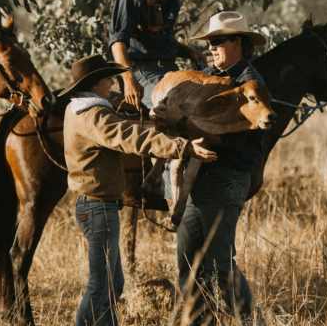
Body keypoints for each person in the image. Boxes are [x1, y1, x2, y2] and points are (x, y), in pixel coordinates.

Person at [61, 55, 217, 326]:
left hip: (95, 206)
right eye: (108, 79)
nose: (112, 83)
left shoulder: (77, 110)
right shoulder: (94, 115)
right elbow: (130, 137)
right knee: (103, 285)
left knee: (110, 282)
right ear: (96, 84)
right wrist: (182, 146)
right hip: (98, 207)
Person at [175, 11, 268, 325]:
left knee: (219, 264)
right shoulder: (205, 77)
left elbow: (252, 142)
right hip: (197, 181)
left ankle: (247, 320)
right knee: (188, 261)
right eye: (210, 43)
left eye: (218, 42)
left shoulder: (251, 83)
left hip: (227, 179)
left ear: (238, 43)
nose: (211, 48)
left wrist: (211, 142)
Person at [109, 0, 203, 111]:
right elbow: (118, 42)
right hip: (140, 71)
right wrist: (128, 79)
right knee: (174, 108)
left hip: (168, 69)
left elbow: (162, 39)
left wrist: (190, 53)